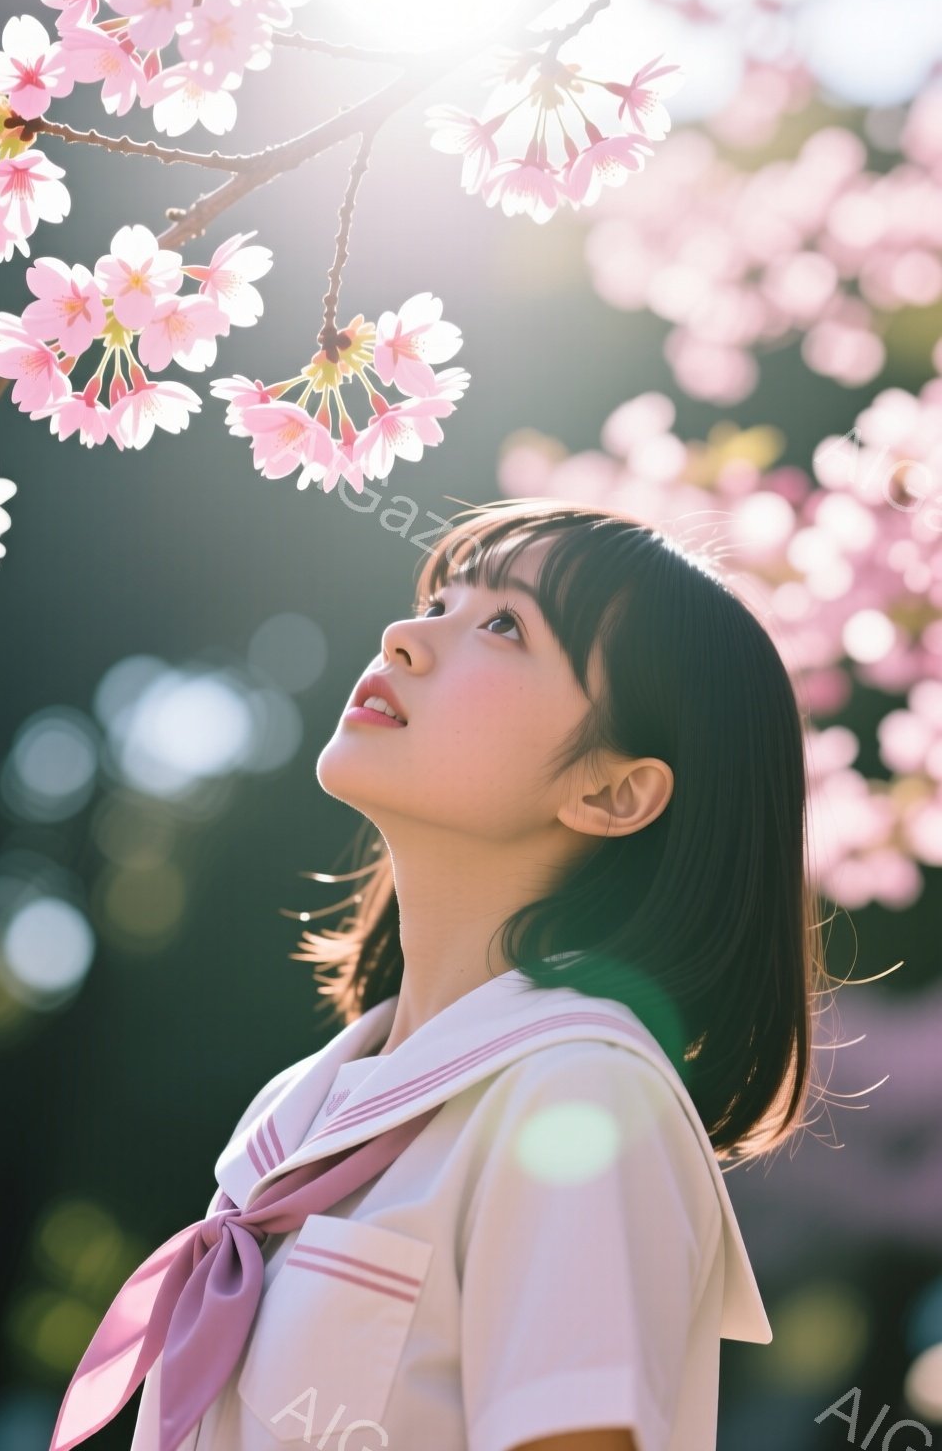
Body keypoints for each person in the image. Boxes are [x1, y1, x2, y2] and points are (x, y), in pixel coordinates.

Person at [52, 498, 833, 1451]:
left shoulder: (581, 1099)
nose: (406, 635)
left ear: (613, 790)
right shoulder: (296, 1111)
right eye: (440, 598)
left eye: (505, 624)